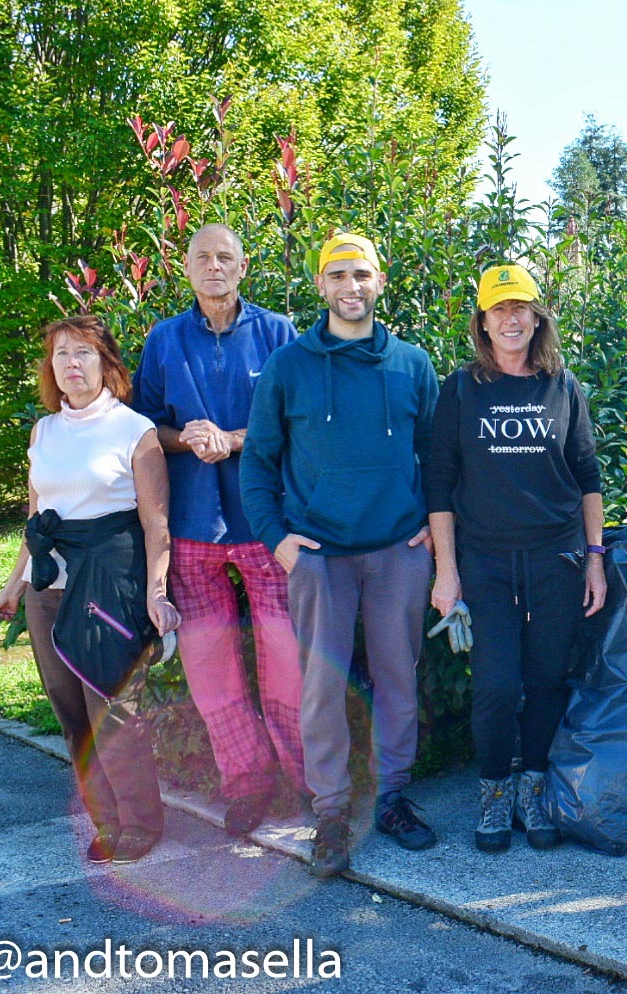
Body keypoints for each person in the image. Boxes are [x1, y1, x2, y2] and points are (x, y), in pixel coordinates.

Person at [240, 232, 439, 877]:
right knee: (322, 686)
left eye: (362, 274)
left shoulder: (412, 365)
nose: (351, 286)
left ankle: (393, 798)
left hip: (398, 551)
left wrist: (433, 528)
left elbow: (438, 458)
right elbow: (257, 462)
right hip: (318, 556)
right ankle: (329, 812)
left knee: (398, 676)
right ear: (321, 285)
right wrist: (277, 540)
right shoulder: (288, 366)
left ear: (381, 281)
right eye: (338, 275)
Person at [427, 263, 607, 854]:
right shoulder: (461, 389)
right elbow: (439, 483)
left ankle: (533, 786)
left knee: (548, 678)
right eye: (499, 309)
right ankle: (495, 791)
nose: (511, 319)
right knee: (497, 685)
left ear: (537, 318)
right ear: (482, 321)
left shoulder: (563, 387)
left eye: (520, 308)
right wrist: (447, 571)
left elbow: (588, 476)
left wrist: (595, 558)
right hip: (486, 559)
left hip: (557, 555)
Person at [132, 223, 303, 837]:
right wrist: (187, 437)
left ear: (242, 266)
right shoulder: (164, 339)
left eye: (224, 256)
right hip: (194, 527)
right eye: (202, 256)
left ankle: (303, 782)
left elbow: (297, 421)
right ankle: (248, 784)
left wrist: (233, 439)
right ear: (185, 267)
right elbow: (146, 426)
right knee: (211, 672)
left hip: (265, 525)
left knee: (288, 659)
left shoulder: (278, 333)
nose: (213, 266)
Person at [0, 315, 181, 864]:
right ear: (50, 368)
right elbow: (37, 519)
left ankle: (142, 822)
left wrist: (157, 592)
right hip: (47, 589)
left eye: (84, 353)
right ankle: (107, 822)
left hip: (110, 588)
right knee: (72, 714)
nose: (71, 363)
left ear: (106, 364)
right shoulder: (44, 432)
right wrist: (13, 585)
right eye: (61, 354)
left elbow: (156, 524)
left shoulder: (135, 431)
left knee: (112, 708)